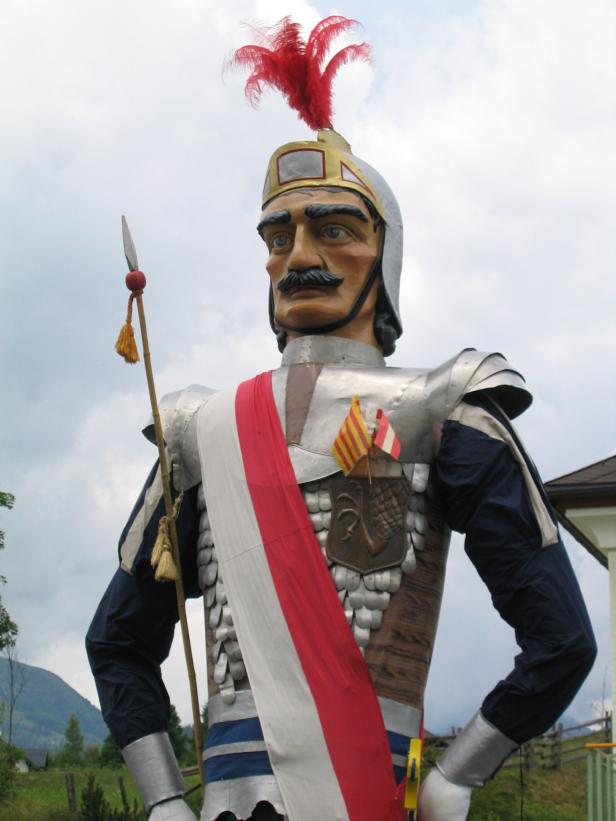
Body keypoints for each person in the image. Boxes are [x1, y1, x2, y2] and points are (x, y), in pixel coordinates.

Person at [86, 16, 596, 821]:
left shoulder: (445, 412)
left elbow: (562, 638)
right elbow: (117, 639)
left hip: (368, 787)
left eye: (332, 228)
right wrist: (161, 798)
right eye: (278, 234)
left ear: (383, 253)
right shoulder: (198, 428)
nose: (297, 256)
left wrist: (457, 773)